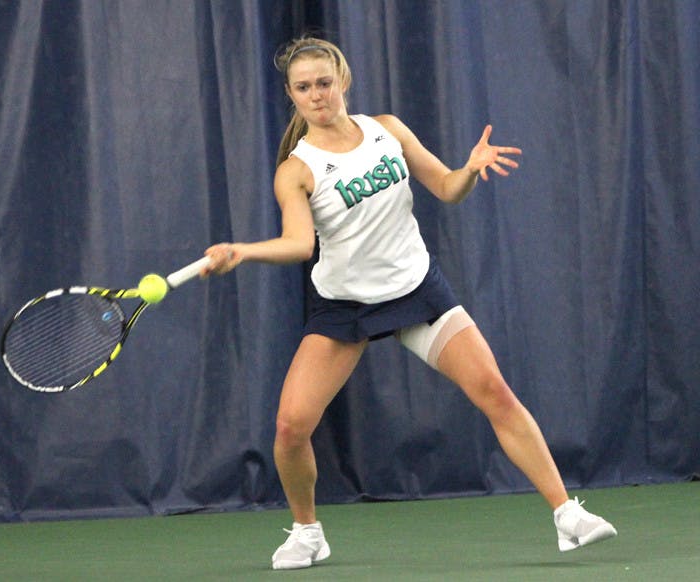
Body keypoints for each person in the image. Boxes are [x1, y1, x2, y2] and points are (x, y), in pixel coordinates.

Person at [202, 37, 617, 570]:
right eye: (303, 88)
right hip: (344, 309)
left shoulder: (388, 130)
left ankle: (567, 515)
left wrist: (469, 169)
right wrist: (244, 251)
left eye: (324, 83)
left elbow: (445, 188)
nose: (316, 95)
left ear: (342, 81)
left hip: (416, 290)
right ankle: (307, 531)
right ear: (291, 94)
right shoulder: (296, 168)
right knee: (289, 428)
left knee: (494, 390)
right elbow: (300, 245)